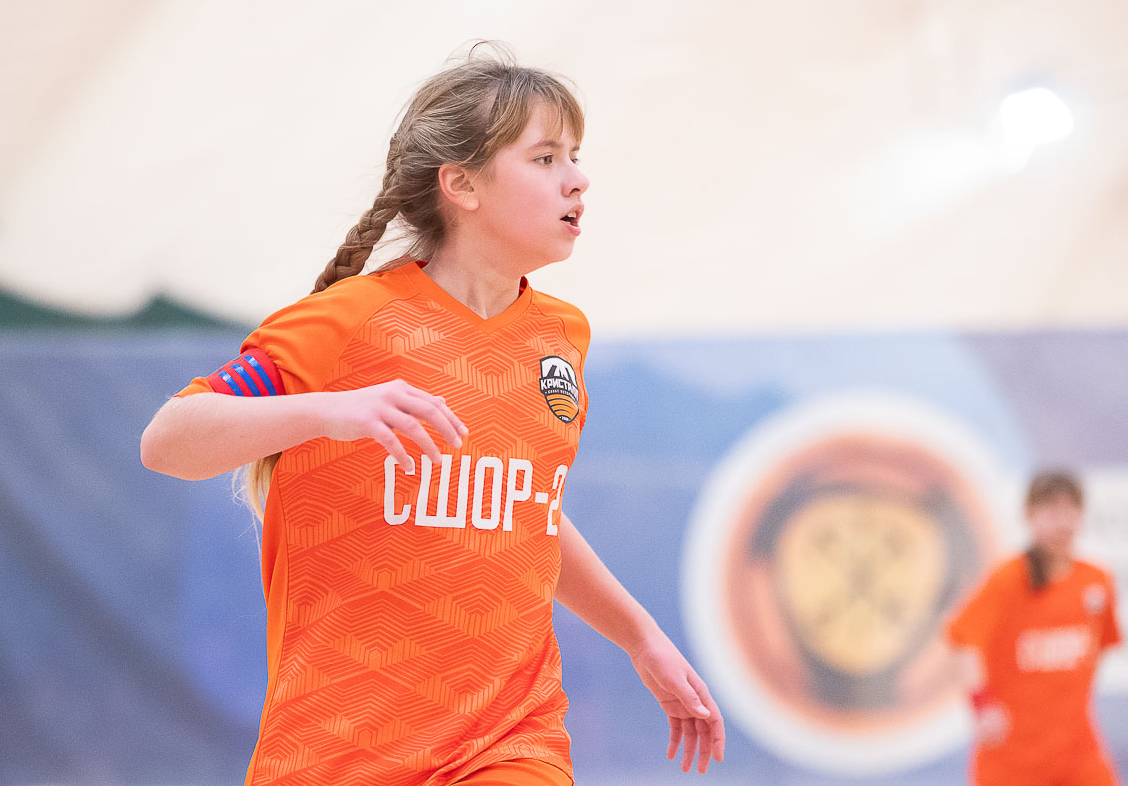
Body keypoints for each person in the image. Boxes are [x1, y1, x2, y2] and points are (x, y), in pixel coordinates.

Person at [140, 46, 725, 786]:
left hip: (510, 738)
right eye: (545, 157)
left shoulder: (560, 337)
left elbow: (526, 514)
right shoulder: (347, 322)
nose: (577, 179)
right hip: (336, 752)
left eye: (575, 157)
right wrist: (331, 409)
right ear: (462, 184)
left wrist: (641, 637)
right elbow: (168, 441)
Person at [947, 471, 1121, 786]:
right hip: (1014, 760)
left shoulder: (1096, 582)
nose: (1062, 523)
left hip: (1078, 754)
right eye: (1051, 512)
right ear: (1031, 516)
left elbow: (1101, 647)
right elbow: (962, 640)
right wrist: (983, 706)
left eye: (1070, 511)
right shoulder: (1009, 579)